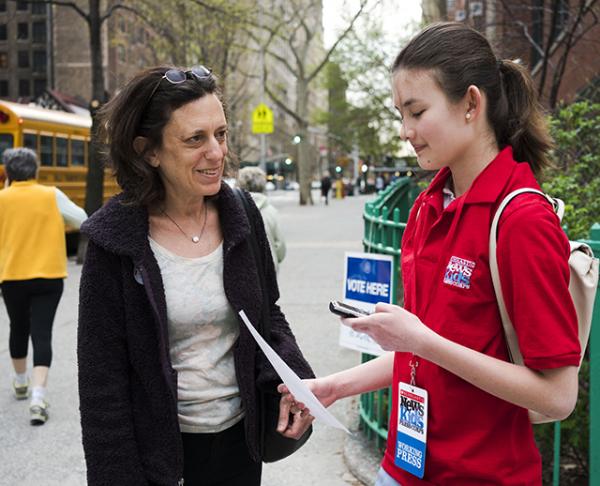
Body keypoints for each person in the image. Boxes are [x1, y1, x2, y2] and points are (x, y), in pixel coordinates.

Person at [279, 22, 580, 485]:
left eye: (417, 112)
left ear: (471, 104)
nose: (406, 131)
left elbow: (557, 396)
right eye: (401, 114)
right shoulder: (426, 207)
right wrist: (334, 388)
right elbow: (424, 351)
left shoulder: (521, 220)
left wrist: (421, 340)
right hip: (403, 467)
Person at [77, 66, 314, 486]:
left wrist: (292, 380)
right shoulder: (112, 241)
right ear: (148, 150)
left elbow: (268, 317)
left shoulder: (242, 214)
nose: (217, 152)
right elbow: (102, 384)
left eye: (220, 134)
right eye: (195, 139)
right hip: (160, 458)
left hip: (241, 446)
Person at [0, 147, 87, 425]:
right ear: (35, 171)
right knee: (42, 333)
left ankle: (21, 381)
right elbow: (82, 219)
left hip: (12, 276)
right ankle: (39, 397)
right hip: (49, 276)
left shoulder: (2, 199)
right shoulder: (52, 195)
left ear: (8, 173)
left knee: (18, 327)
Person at [237, 166, 286, 272]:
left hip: (241, 269)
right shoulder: (271, 211)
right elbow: (280, 245)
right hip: (268, 267)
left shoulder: (235, 209)